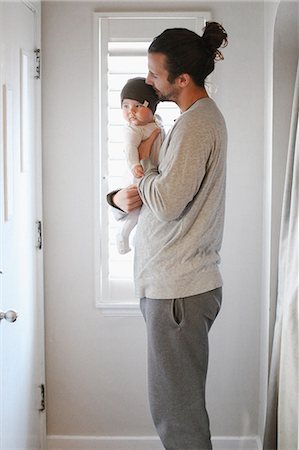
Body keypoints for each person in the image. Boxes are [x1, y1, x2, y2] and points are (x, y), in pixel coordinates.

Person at [107, 21, 228, 450]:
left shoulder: (196, 124)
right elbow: (160, 191)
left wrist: (145, 167)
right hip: (173, 286)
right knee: (175, 409)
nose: (150, 82)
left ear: (181, 78)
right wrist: (121, 194)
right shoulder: (188, 122)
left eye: (155, 74)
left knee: (177, 416)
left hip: (178, 289)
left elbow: (169, 201)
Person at [116, 77, 164, 254]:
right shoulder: (133, 130)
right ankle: (123, 235)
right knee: (135, 210)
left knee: (146, 211)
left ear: (151, 108)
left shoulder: (156, 123)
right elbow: (130, 149)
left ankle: (138, 238)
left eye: (137, 106)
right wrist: (135, 164)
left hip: (151, 175)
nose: (131, 112)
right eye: (125, 106)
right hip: (137, 175)